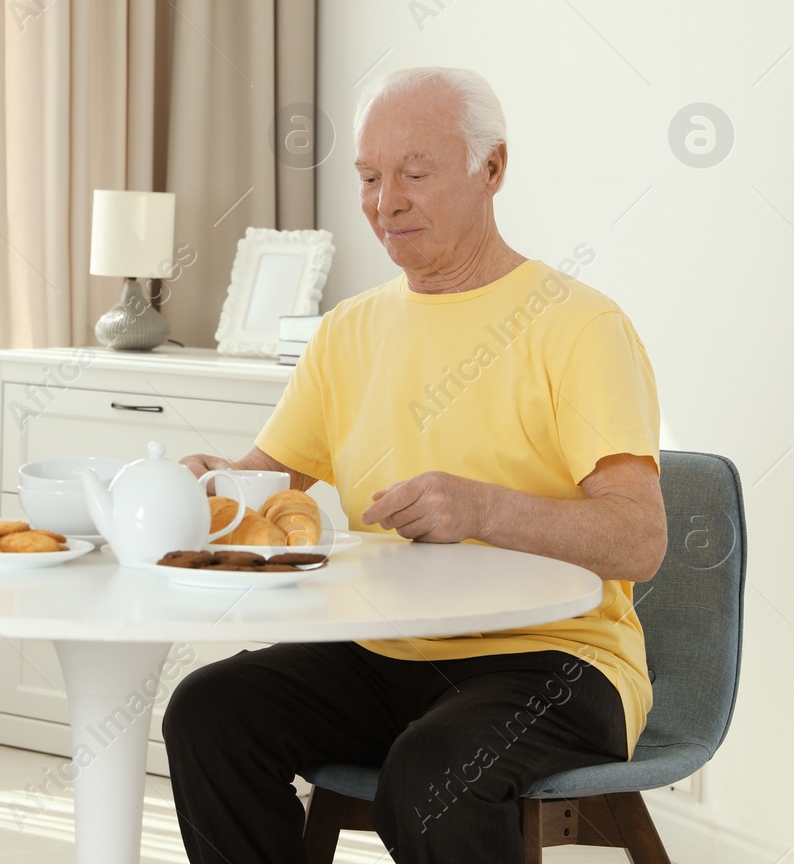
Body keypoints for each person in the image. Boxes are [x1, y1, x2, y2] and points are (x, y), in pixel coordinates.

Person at [164, 67, 665, 863]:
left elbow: (639, 539)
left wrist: (485, 510)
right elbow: (268, 482)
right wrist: (212, 481)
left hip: (558, 659)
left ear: (492, 168)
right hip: (385, 647)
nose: (384, 201)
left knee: (434, 776)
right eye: (368, 177)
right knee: (207, 711)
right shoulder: (346, 333)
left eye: (414, 174)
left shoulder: (580, 326)